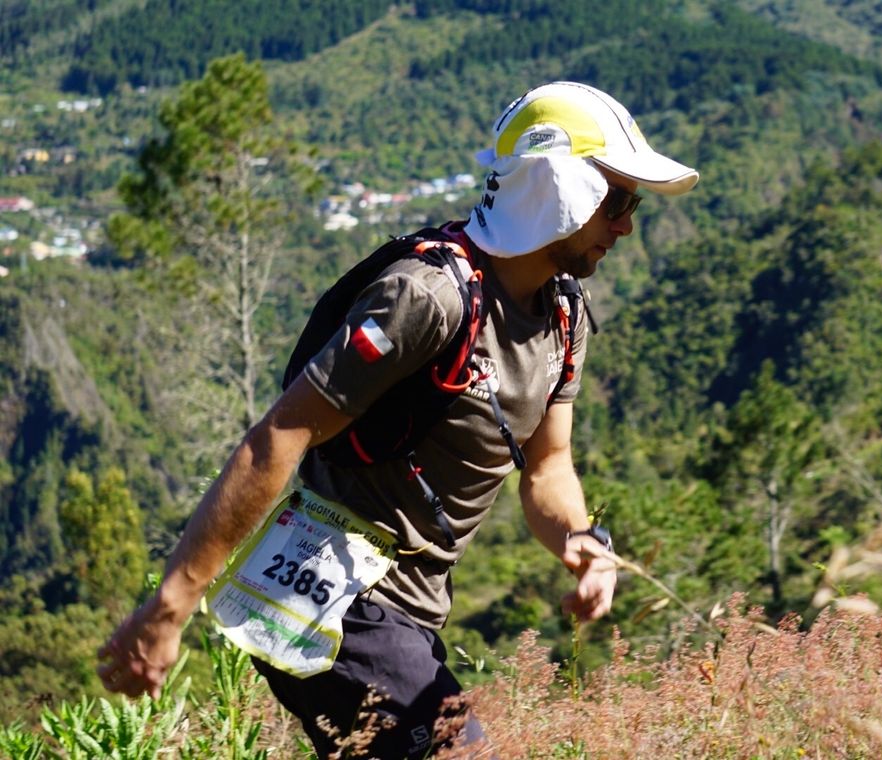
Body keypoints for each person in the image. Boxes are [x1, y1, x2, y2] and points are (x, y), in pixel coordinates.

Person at [98, 80, 698, 758]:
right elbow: (280, 436)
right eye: (616, 202)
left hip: (408, 614)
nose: (625, 224)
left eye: (633, 204)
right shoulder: (428, 296)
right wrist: (170, 607)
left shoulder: (563, 314)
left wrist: (579, 542)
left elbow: (548, 467)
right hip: (330, 601)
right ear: (559, 191)